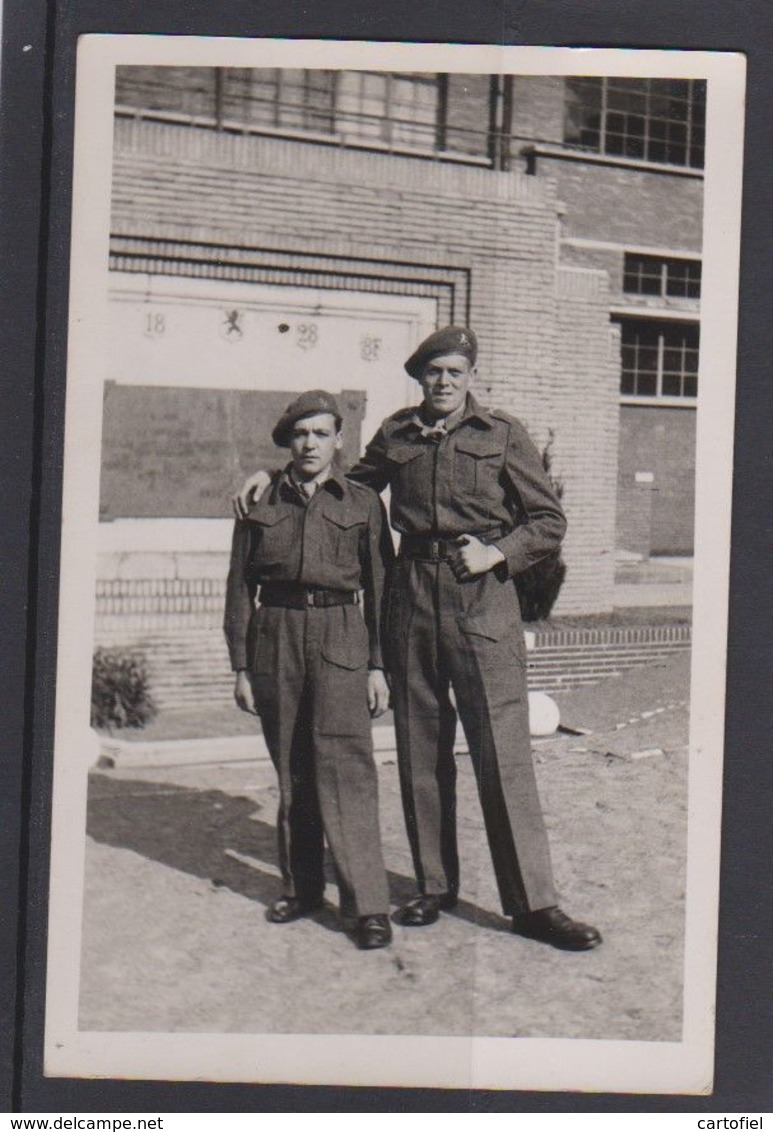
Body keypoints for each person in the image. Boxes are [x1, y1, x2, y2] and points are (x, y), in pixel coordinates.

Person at [234, 330, 602, 951]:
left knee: (501, 756)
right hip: (410, 599)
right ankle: (433, 886)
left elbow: (548, 521)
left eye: (455, 371)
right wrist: (268, 478)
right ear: (420, 378)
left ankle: (534, 903)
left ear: (470, 375)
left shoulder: (501, 435)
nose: (444, 382)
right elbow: (338, 482)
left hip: (481, 600)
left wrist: (497, 552)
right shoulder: (397, 434)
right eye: (433, 372)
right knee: (420, 751)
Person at [224, 389, 394, 950]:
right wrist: (242, 666)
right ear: (287, 442)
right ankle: (302, 890)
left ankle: (367, 905)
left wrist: (378, 666)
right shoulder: (258, 501)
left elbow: (381, 591)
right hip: (276, 640)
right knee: (294, 773)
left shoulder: (363, 502)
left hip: (341, 637)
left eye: (322, 433)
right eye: (301, 434)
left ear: (339, 441)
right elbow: (237, 591)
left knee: (347, 772)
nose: (311, 443)